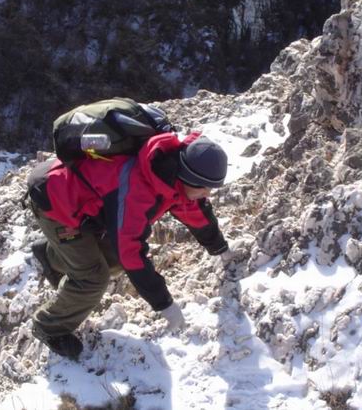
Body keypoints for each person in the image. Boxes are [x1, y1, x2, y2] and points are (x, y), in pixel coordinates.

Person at [26, 130, 234, 359]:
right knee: (93, 278)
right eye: (204, 187)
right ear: (187, 176)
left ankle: (50, 255)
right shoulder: (138, 189)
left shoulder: (172, 175)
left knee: (114, 262)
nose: (207, 193)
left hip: (87, 205)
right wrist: (164, 303)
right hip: (55, 201)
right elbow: (131, 251)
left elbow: (196, 213)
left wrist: (219, 248)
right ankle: (48, 327)